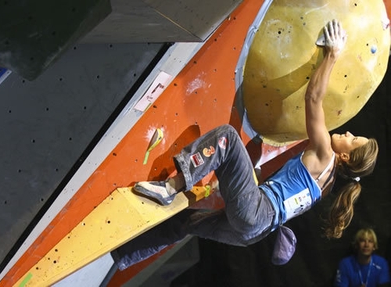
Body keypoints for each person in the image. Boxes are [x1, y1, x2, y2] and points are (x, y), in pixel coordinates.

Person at [111, 20, 379, 270]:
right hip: (255, 231)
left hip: (255, 212)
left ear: (346, 157)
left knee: (226, 138)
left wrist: (332, 54)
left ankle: (170, 188)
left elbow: (313, 99)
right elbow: (280, 190)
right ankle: (124, 256)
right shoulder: (328, 182)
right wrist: (236, 179)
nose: (348, 132)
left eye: (353, 140)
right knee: (187, 222)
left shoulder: (325, 154)